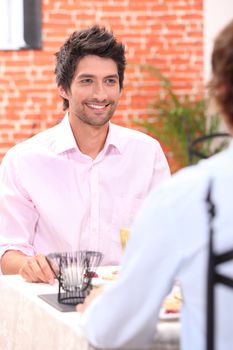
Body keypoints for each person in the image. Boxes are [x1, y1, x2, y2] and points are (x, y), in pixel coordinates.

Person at [77, 20, 233, 350]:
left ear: (218, 92)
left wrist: (100, 310)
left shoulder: (190, 198)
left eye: (109, 81)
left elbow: (116, 331)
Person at [0, 25, 170, 283]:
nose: (100, 94)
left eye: (110, 81)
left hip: (126, 298)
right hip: (54, 299)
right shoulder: (23, 161)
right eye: (87, 81)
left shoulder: (147, 154)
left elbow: (165, 238)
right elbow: (8, 251)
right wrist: (28, 264)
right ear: (63, 88)